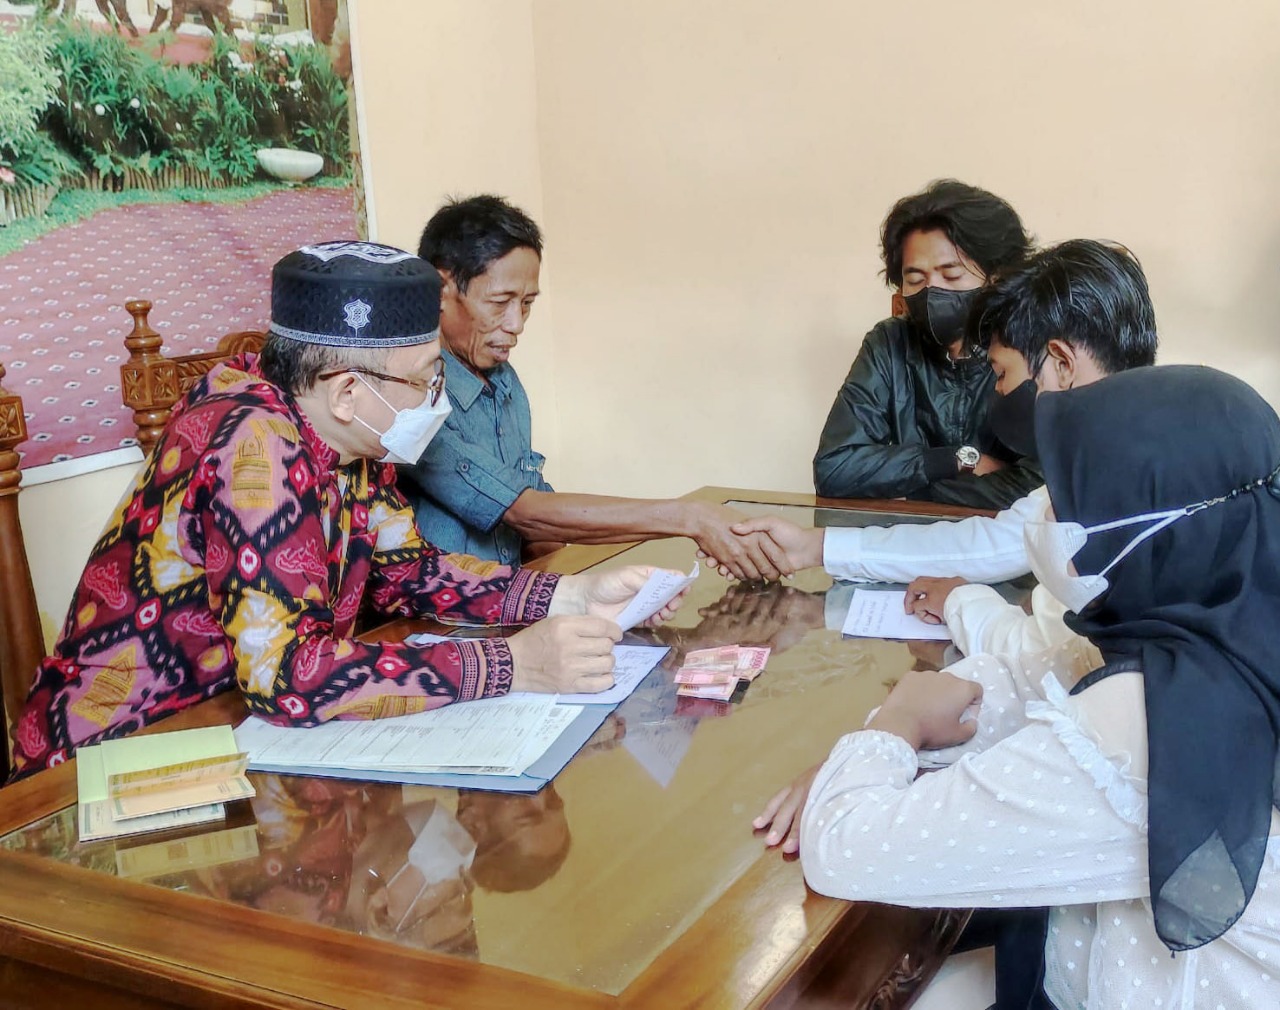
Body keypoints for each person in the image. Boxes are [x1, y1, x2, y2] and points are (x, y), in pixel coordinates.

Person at [8, 241, 685, 779]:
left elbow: (412, 572)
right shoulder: (253, 443)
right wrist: (513, 667)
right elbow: (285, 676)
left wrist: (567, 595)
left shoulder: (348, 442)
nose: (436, 402)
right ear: (347, 392)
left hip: (238, 734)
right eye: (425, 381)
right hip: (125, 762)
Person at [760, 365, 1280, 1008]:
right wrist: (926, 711)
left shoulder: (1149, 723)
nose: (1046, 516)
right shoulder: (1235, 634)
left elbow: (844, 847)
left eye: (1066, 498)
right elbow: (1046, 670)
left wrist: (889, 728)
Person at [730, 240, 1158, 654]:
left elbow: (1049, 653)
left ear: (1062, 364)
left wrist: (960, 602)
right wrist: (816, 546)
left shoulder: (1126, 489)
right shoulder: (1116, 454)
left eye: (1002, 372)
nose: (999, 390)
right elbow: (998, 542)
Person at [396, 195, 787, 580]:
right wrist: (690, 517)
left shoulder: (504, 380)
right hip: (437, 624)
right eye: (500, 302)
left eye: (528, 303)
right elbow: (525, 512)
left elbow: (538, 529)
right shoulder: (409, 393)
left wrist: (586, 591)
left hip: (507, 607)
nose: (516, 324)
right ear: (442, 289)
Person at [813, 179, 1040, 508]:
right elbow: (835, 467)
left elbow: (1040, 487)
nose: (932, 292)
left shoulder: (1028, 345)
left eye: (951, 276)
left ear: (996, 277)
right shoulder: (890, 343)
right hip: (910, 545)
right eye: (915, 279)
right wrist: (956, 461)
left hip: (1008, 551)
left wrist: (916, 491)